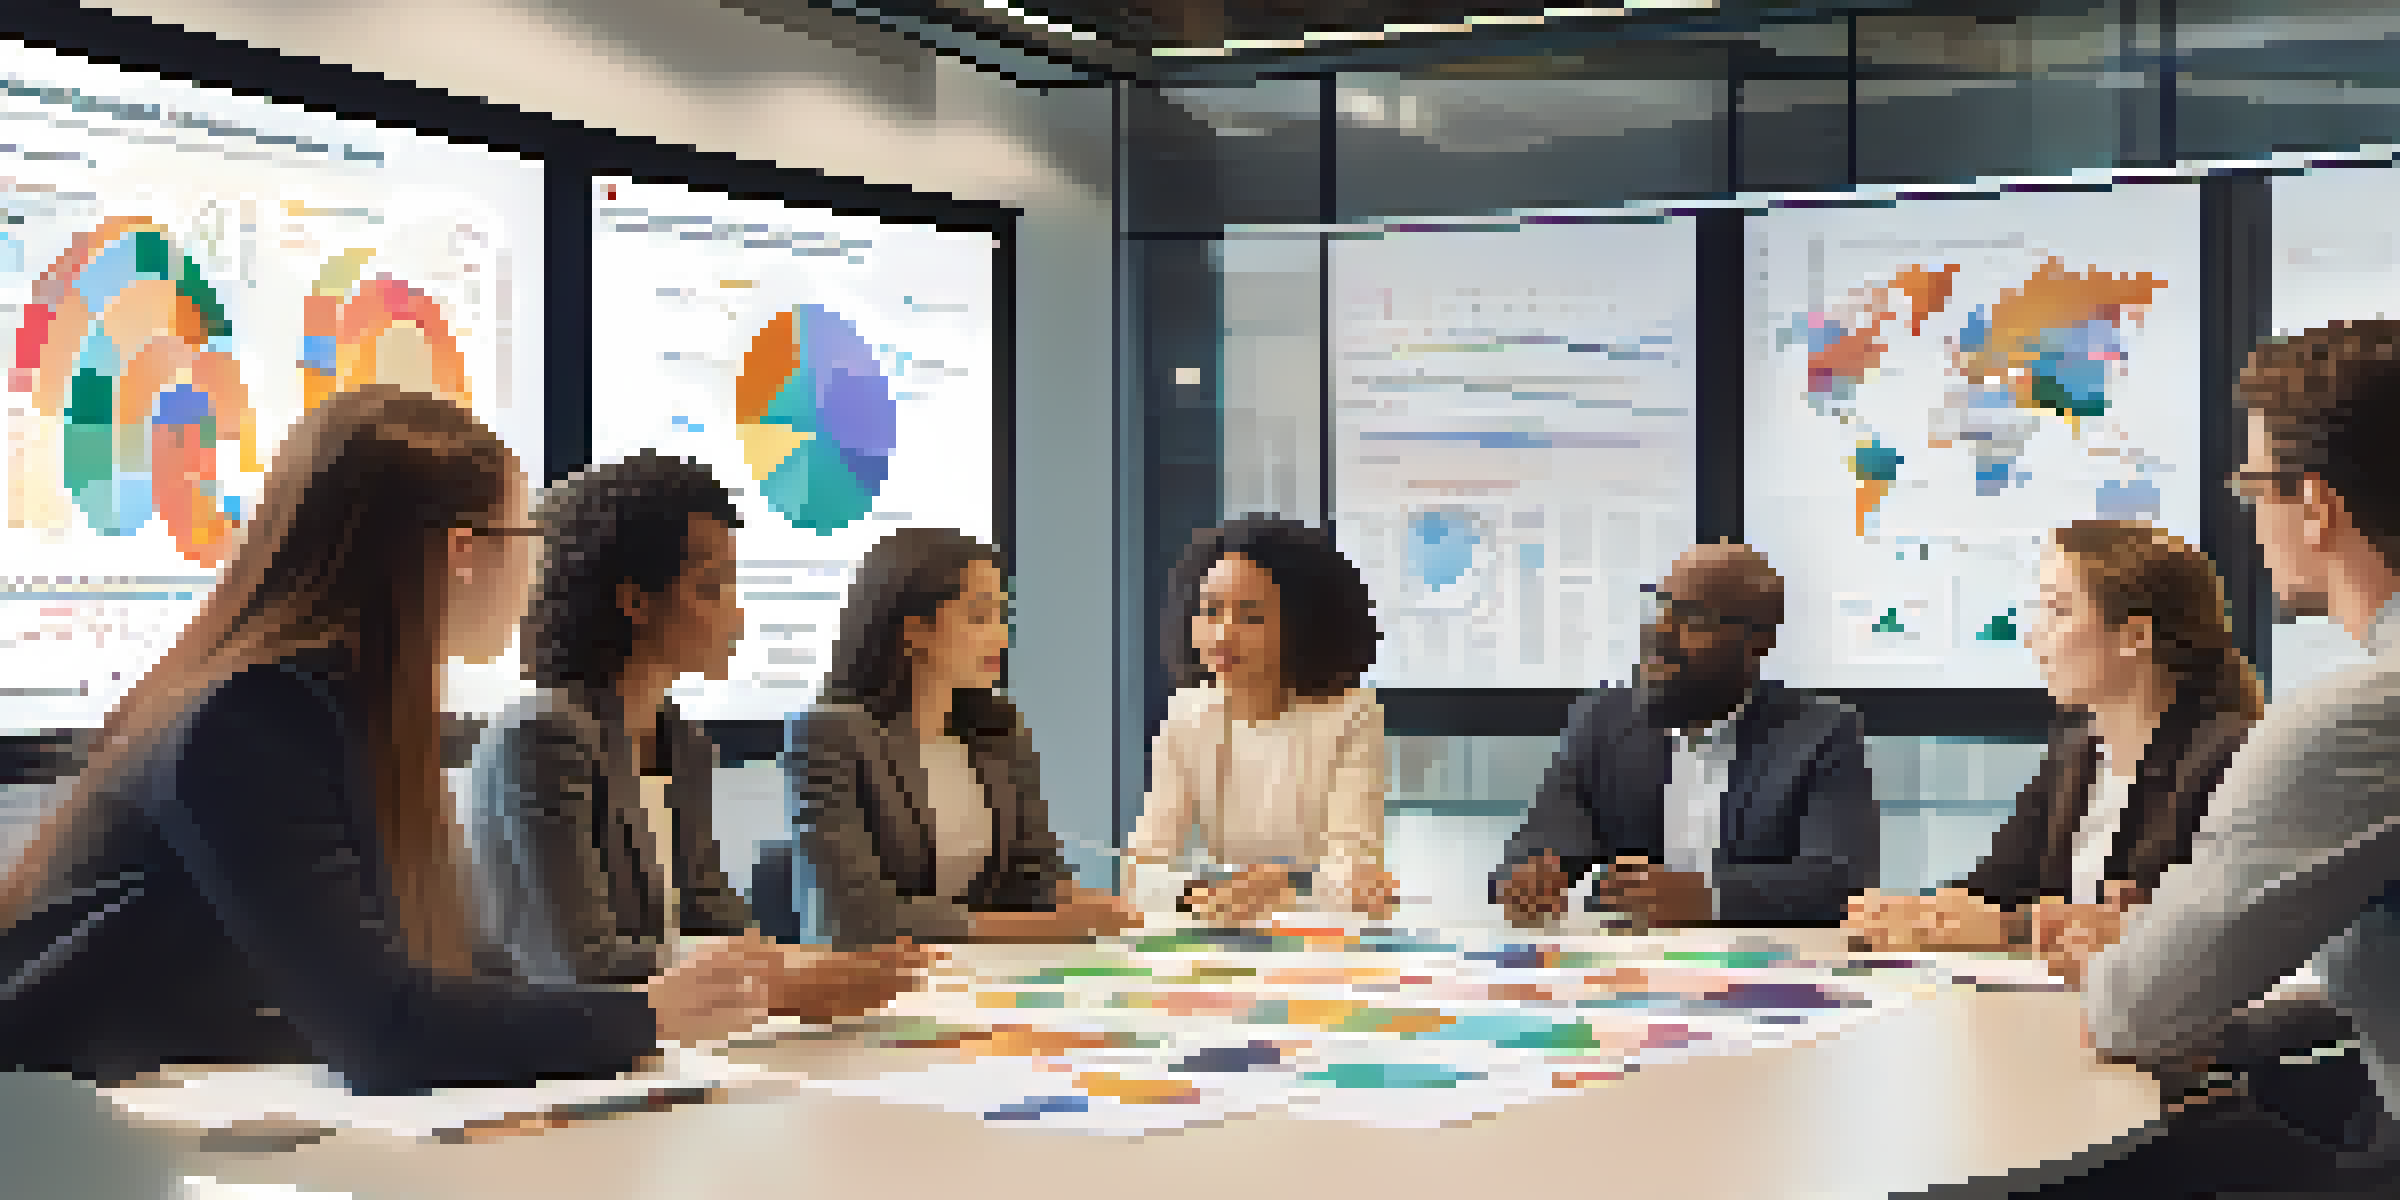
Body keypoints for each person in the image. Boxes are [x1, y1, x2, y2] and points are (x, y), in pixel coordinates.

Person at [0, 386, 769, 1095]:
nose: (537, 570)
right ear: (464, 553)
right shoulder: (252, 716)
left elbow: (446, 982)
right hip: (64, 1138)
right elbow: (383, 1026)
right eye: (526, 536)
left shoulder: (343, 714)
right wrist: (649, 1014)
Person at [2031, 321, 2400, 1196]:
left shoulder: (2357, 722)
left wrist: (2133, 963)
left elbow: (2130, 1013)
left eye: (2254, 485)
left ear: (2315, 505)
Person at [462, 451, 928, 1021]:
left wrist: (801, 964)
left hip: (666, 1036)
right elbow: (577, 964)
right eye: (713, 586)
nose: (738, 616)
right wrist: (770, 980)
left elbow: (707, 909)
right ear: (634, 601)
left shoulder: (676, 736)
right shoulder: (541, 737)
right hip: (559, 1046)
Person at [1844, 520, 2262, 963]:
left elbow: (2205, 927)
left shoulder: (2231, 757)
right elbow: (1994, 885)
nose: (2034, 637)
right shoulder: (2076, 752)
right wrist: (1923, 914)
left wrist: (2012, 929)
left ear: (2135, 637)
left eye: (2058, 611)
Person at [1494, 540, 1875, 928]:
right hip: (1627, 973)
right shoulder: (1601, 721)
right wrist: (1527, 875)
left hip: (1759, 973)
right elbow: (1548, 834)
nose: (1661, 631)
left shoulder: (1822, 733)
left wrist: (1711, 899)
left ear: (1758, 640)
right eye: (1658, 607)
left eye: (1691, 617)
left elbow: (1840, 881)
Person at [788, 527, 1139, 949]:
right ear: (914, 630)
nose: (1000, 636)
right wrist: (1044, 927)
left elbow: (1036, 875)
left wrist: (1098, 907)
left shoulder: (1000, 730)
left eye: (1003, 617)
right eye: (978, 617)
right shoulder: (831, 734)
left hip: (982, 976)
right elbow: (860, 916)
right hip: (872, 976)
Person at [1125, 516, 1400, 924]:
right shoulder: (1187, 712)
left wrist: (1292, 883)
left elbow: (1354, 866)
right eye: (1210, 611)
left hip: (1319, 939)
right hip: (1226, 934)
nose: (1222, 635)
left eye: (1250, 617)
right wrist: (1199, 892)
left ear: (1301, 625)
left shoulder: (1351, 714)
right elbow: (1141, 867)